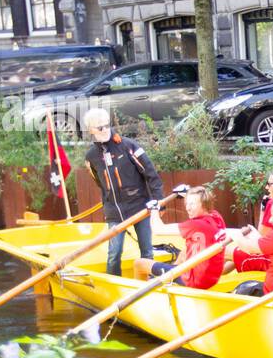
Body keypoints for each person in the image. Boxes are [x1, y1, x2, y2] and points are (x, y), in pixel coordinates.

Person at [83, 106, 164, 276]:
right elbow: (100, 183)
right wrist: (107, 205)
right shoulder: (91, 157)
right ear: (91, 130)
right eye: (100, 127)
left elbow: (151, 174)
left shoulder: (128, 146)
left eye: (107, 125)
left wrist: (159, 202)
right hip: (114, 212)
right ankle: (113, 286)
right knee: (114, 254)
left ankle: (150, 284)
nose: (105, 130)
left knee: (147, 251)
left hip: (139, 207)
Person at [135, 185, 228, 289]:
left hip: (194, 280)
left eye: (192, 204)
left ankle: (141, 300)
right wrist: (186, 193)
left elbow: (158, 229)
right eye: (187, 203)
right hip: (211, 279)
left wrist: (154, 210)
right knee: (187, 247)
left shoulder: (196, 225)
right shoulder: (217, 217)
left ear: (204, 204)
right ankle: (169, 277)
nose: (188, 208)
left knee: (139, 264)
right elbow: (200, 198)